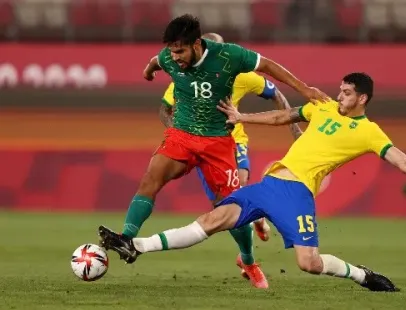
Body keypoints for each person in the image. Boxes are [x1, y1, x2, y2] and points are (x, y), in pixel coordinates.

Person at [98, 14, 328, 290]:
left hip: (217, 143)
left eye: (180, 51)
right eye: (172, 51)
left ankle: (248, 260)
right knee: (150, 179)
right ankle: (127, 239)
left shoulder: (230, 57)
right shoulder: (170, 57)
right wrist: (148, 71)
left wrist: (305, 89)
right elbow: (156, 62)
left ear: (196, 45)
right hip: (181, 135)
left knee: (232, 209)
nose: (176, 57)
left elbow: (266, 65)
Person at [160, 32, 303, 283]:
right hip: (204, 146)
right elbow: (164, 109)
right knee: (229, 206)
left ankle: (248, 258)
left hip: (235, 143)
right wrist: (178, 133)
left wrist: (294, 128)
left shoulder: (243, 76)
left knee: (235, 199)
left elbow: (276, 93)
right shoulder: (186, 74)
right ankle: (252, 234)